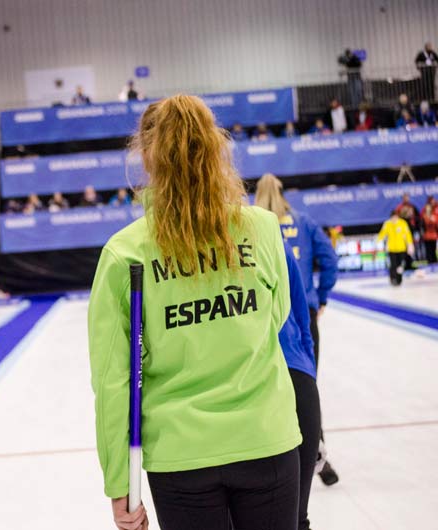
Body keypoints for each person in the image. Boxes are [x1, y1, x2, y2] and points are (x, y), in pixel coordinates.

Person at [89, 95, 301, 530]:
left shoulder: (125, 252)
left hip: (181, 455)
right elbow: (276, 317)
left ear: (147, 159)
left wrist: (120, 484)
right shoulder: (261, 228)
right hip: (266, 439)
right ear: (215, 149)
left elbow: (114, 380)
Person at [254, 173, 340, 487]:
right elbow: (330, 259)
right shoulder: (302, 222)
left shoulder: (249, 225)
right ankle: (319, 456)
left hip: (260, 323)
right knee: (306, 387)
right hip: (301, 318)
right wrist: (321, 295)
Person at [280, 242, 321, 530]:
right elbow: (302, 311)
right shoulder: (271, 236)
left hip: (289, 374)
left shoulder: (269, 236)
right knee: (295, 517)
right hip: (297, 374)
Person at [378, 210, 414, 286]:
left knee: (400, 265)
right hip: (392, 249)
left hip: (401, 248)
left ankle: (399, 279)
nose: (394, 219)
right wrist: (378, 240)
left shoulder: (402, 223)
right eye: (393, 217)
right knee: (393, 265)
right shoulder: (387, 224)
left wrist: (410, 245)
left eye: (395, 217)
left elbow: (408, 235)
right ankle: (393, 279)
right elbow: (382, 233)